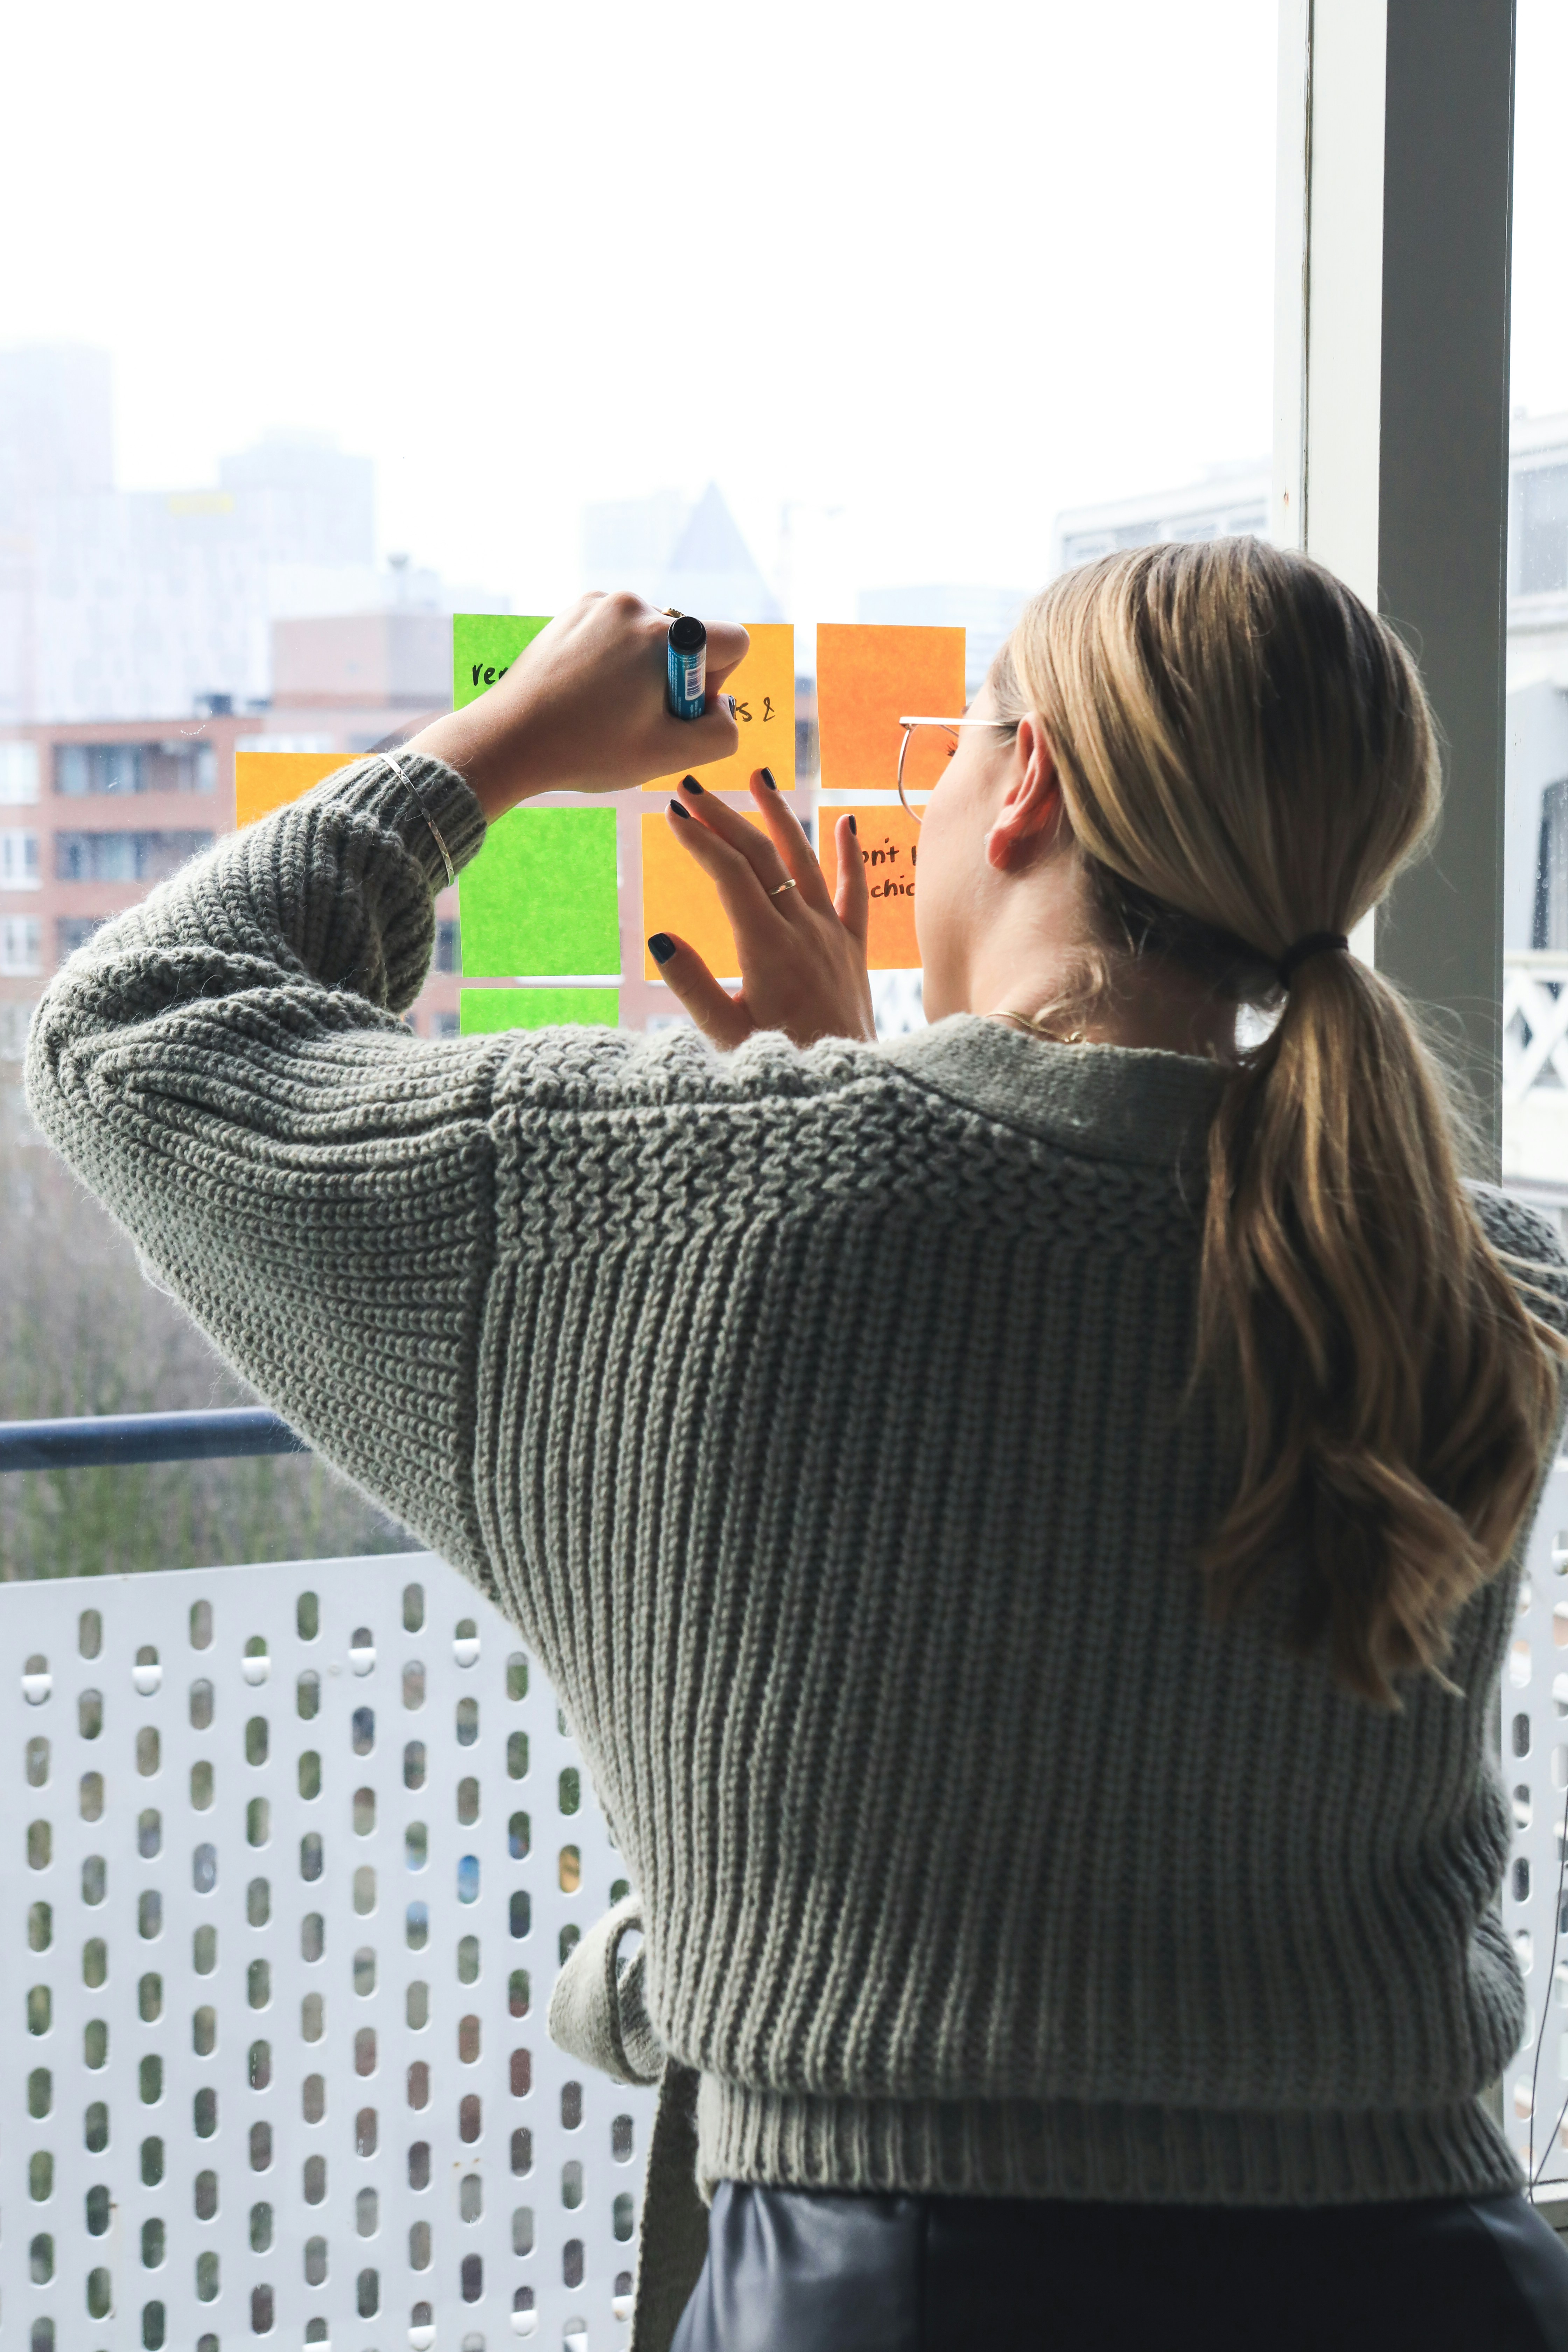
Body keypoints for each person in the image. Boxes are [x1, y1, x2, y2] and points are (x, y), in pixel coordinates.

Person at [25, 540, 1568, 2351]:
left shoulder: (698, 1214)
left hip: (909, 2289)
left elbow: (132, 1037)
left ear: (1034, 785)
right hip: (1440, 2276)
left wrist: (506, 741)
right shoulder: (1468, 1277)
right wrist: (861, 1081)